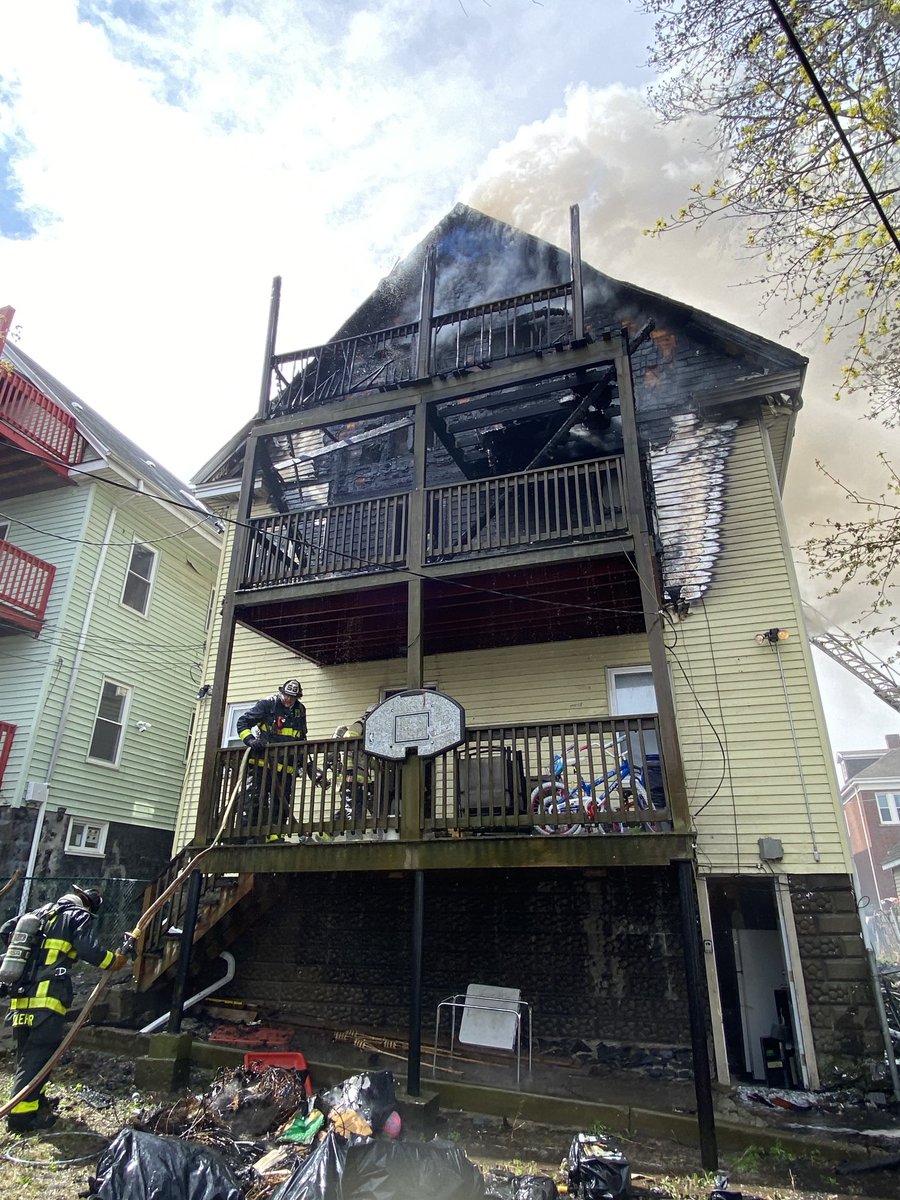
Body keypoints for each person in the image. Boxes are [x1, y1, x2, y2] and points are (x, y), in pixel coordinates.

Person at [1, 885, 129, 1133]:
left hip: (21, 998)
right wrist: (115, 961)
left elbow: (6, 929)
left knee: (28, 1057)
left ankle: (34, 1103)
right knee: (38, 1058)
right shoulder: (77, 916)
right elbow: (89, 950)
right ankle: (20, 1118)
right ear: (88, 905)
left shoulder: (39, 914)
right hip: (47, 1000)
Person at [237, 678, 308, 834]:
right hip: (262, 764)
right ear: (281, 692)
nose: (289, 699)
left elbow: (302, 737)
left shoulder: (300, 710)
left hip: (286, 768)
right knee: (254, 799)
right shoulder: (268, 704)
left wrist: (303, 763)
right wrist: (250, 740)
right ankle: (248, 835)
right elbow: (243, 722)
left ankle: (275, 835)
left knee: (281, 803)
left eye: (293, 697)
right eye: (286, 695)